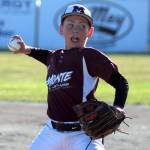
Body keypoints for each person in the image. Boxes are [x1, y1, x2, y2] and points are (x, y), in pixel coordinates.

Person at [9, 3, 129, 150]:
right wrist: (26, 49)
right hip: (51, 132)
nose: (75, 30)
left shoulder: (90, 57)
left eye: (82, 26)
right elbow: (46, 55)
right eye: (70, 25)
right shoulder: (54, 57)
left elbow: (121, 83)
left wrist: (118, 107)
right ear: (61, 29)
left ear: (90, 32)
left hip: (83, 133)